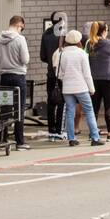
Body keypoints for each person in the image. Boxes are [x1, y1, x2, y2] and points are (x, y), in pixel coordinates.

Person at [54, 30, 101, 147]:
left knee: (70, 112)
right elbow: (87, 74)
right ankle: (95, 138)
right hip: (81, 87)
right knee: (89, 111)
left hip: (67, 88)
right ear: (78, 41)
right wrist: (92, 88)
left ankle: (71, 139)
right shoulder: (82, 54)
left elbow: (58, 74)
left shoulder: (61, 54)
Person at [0, 15, 32, 151]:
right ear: (19, 25)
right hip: (18, 77)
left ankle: (2, 138)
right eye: (22, 28)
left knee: (4, 109)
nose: (22, 30)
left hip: (4, 77)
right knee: (19, 109)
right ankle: (19, 141)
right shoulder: (20, 39)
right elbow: (25, 59)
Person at [88, 21, 110, 140]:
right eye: (107, 30)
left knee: (95, 107)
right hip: (109, 78)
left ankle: (92, 133)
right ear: (103, 31)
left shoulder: (90, 43)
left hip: (94, 78)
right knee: (109, 106)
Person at [41, 11, 67, 139]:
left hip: (50, 73)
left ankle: (51, 128)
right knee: (62, 101)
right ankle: (59, 129)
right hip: (62, 74)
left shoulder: (46, 34)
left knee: (51, 101)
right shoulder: (63, 35)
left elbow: (43, 56)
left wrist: (51, 62)